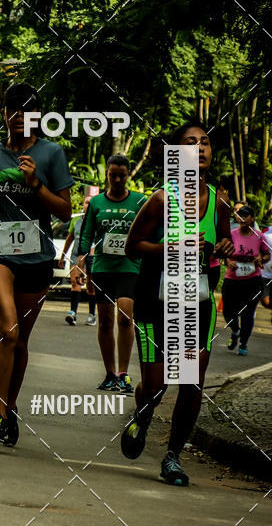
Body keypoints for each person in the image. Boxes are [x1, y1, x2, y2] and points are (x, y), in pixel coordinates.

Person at [121, 120, 233, 486]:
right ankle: (143, 412)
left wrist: (222, 247)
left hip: (196, 303)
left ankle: (172, 457)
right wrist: (171, 247)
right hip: (154, 300)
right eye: (190, 142)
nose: (199, 147)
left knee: (190, 381)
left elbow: (224, 243)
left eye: (205, 142)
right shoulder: (160, 199)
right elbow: (132, 246)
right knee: (156, 386)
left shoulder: (220, 201)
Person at [0, 82, 73, 446]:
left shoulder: (51, 153)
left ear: (37, 116)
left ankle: (9, 408)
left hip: (36, 256)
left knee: (21, 341)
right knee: (8, 331)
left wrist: (36, 184)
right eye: (11, 109)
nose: (17, 116)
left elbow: (65, 211)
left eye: (25, 111)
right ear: (4, 114)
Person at [77, 156, 146, 393]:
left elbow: (149, 229)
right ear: (106, 174)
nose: (117, 180)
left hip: (130, 266)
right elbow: (87, 234)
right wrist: (81, 262)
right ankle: (110, 373)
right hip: (103, 268)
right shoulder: (96, 202)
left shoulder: (139, 201)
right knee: (105, 321)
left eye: (121, 175)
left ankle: (124, 374)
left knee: (125, 317)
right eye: (112, 175)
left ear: (128, 175)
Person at [222, 203, 269, 355]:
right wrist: (228, 261)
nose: (242, 218)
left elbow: (267, 254)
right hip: (232, 280)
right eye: (240, 215)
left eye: (245, 216)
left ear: (252, 218)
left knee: (248, 314)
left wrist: (261, 258)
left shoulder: (259, 236)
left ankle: (243, 344)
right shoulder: (232, 234)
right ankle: (235, 331)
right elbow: (224, 253)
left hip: (252, 281)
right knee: (228, 312)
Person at [58, 196, 97, 326]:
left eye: (91, 203)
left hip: (91, 257)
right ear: (83, 204)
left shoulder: (98, 221)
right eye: (86, 202)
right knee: (75, 282)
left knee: (91, 286)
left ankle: (92, 315)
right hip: (76, 255)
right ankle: (73, 313)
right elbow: (69, 239)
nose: (88, 205)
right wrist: (63, 256)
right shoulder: (76, 220)